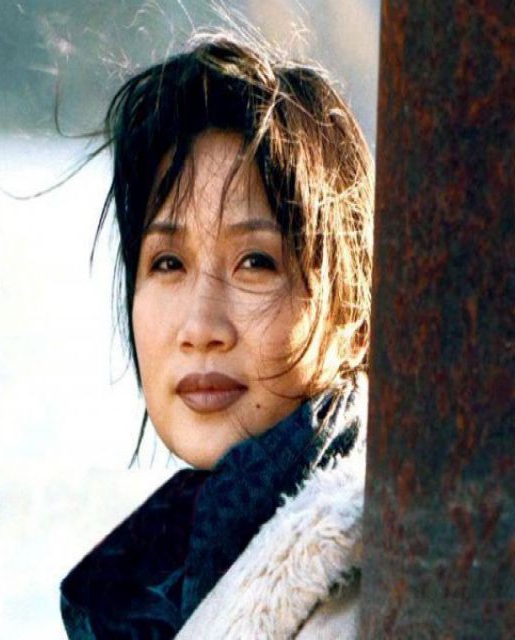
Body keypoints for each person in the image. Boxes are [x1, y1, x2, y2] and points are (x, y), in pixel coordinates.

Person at [60, 31, 373, 639]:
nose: (201, 328)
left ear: (354, 318)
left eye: (255, 262)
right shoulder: (173, 576)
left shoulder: (375, 594)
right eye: (168, 263)